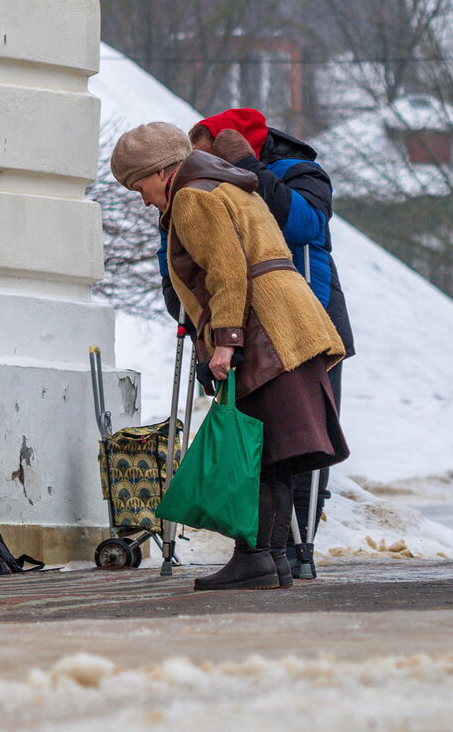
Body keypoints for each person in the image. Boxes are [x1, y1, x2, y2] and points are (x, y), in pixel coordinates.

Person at [111, 122, 349, 591]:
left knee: (254, 453)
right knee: (276, 454)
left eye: (138, 187)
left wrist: (226, 340)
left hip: (266, 333)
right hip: (291, 324)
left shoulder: (193, 196)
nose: (142, 200)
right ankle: (271, 560)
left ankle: (255, 557)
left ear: (161, 172)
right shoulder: (225, 182)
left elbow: (226, 269)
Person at [185, 109, 355, 567]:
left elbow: (304, 227)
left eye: (206, 154)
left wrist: (251, 172)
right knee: (263, 440)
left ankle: (298, 547)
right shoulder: (201, 188)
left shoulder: (299, 173)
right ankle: (266, 550)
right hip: (243, 325)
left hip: (309, 319)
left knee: (303, 437)